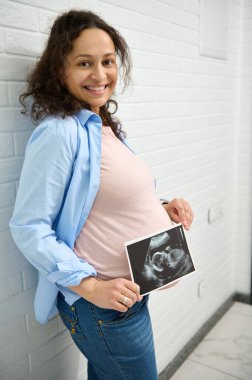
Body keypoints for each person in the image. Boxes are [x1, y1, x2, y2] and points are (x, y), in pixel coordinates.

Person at [9, 10, 194, 380]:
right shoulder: (58, 133)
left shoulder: (100, 125)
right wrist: (91, 287)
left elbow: (98, 200)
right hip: (104, 306)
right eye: (84, 63)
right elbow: (29, 227)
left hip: (130, 293)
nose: (100, 74)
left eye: (108, 61)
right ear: (60, 70)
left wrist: (162, 208)